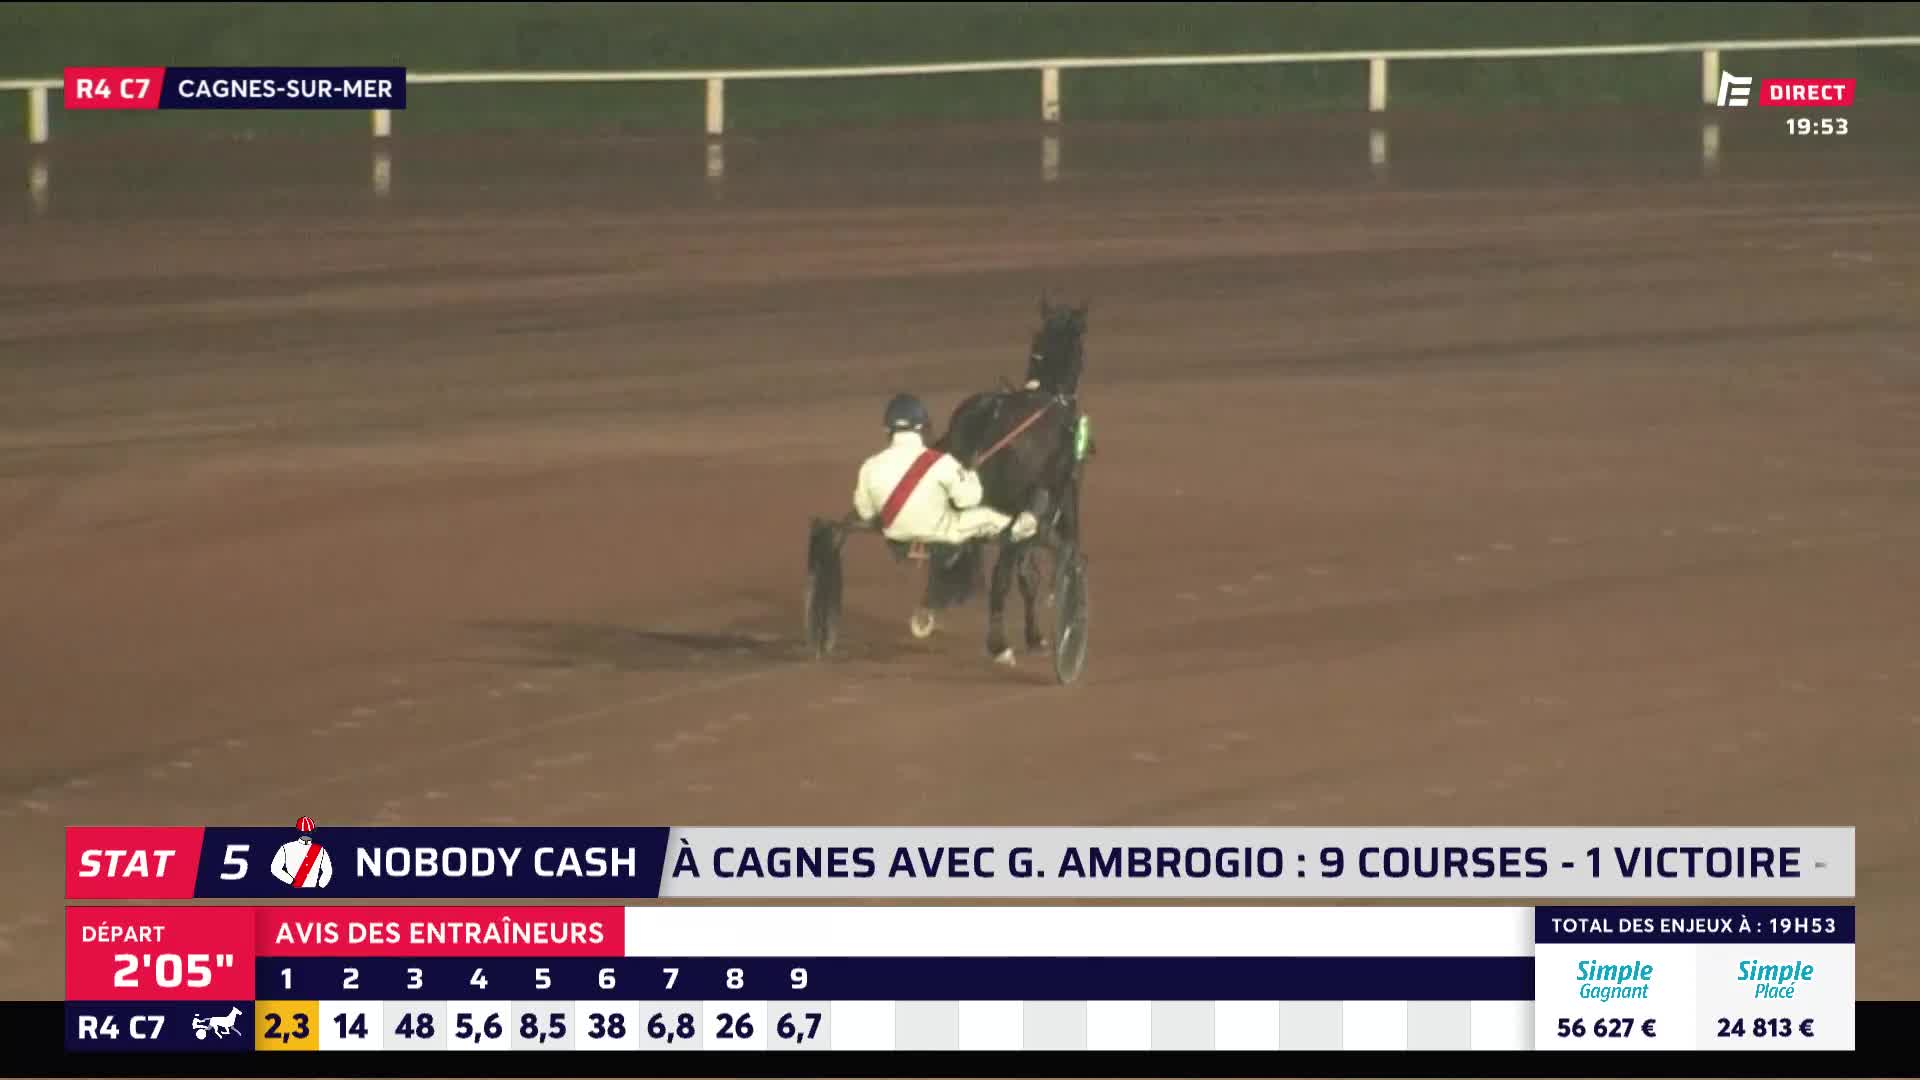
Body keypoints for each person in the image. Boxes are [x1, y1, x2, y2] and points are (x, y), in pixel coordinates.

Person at [854, 393, 1038, 547]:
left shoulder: (869, 466)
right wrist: (970, 475)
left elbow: (866, 512)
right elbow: (969, 500)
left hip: (893, 531)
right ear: (922, 427)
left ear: (887, 429)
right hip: (940, 532)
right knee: (989, 517)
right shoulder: (942, 462)